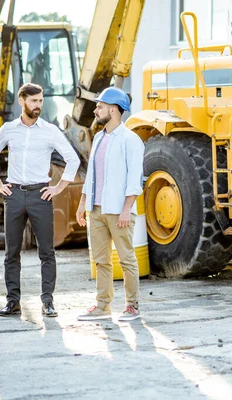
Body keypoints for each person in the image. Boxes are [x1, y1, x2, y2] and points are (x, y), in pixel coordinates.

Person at [0, 83, 80, 317]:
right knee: (11, 253)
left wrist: (58, 187)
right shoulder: (8, 129)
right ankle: (12, 302)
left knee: (46, 252)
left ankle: (47, 302)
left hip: (40, 195)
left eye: (40, 101)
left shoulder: (49, 130)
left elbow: (73, 159)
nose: (38, 106)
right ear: (22, 101)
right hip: (14, 195)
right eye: (34, 101)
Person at [75, 87, 144, 322]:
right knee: (101, 261)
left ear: (113, 110)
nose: (96, 110)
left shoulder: (130, 140)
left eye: (100, 106)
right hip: (96, 210)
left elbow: (135, 179)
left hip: (118, 211)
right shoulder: (100, 138)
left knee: (126, 260)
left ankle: (132, 306)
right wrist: (82, 204)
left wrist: (127, 209)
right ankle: (102, 306)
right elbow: (92, 176)